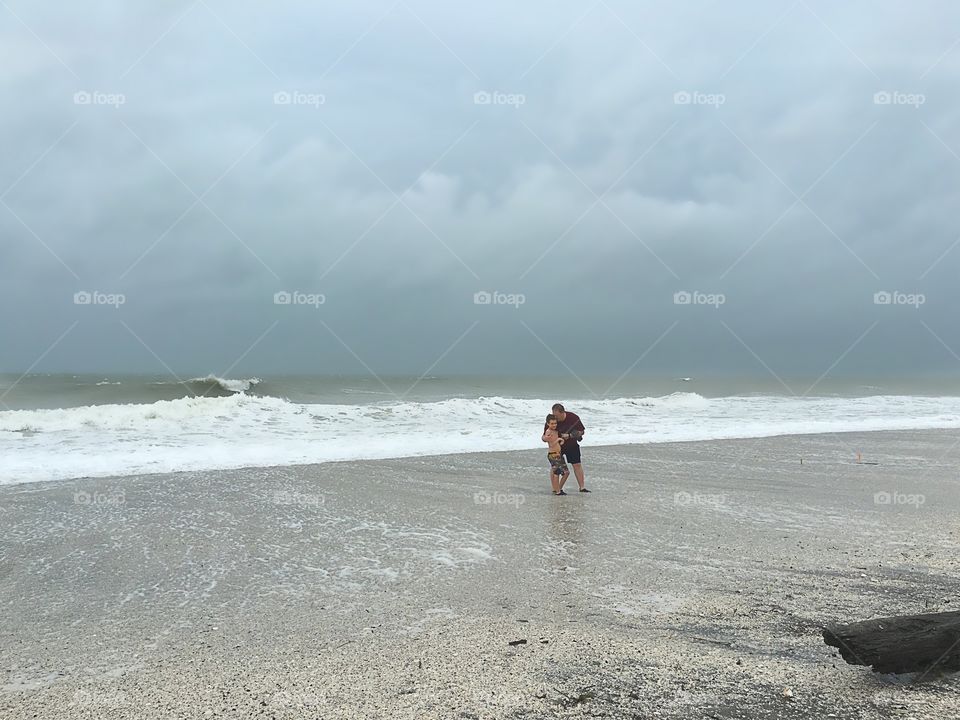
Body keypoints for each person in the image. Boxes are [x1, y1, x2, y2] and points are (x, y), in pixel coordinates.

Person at [553, 403, 589, 492]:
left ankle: (582, 487)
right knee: (555, 467)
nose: (555, 417)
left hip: (572, 445)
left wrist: (570, 435)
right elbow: (546, 433)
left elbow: (582, 431)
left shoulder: (573, 418)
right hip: (557, 446)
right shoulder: (552, 420)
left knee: (577, 464)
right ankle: (555, 488)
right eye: (554, 415)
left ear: (563, 412)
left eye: (557, 416)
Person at [542, 414, 570, 495]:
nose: (554, 425)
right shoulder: (548, 431)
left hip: (558, 454)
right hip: (553, 454)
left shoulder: (556, 431)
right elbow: (551, 444)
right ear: (548, 423)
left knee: (566, 472)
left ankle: (558, 488)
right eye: (552, 423)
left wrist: (561, 441)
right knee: (556, 473)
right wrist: (558, 439)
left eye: (555, 423)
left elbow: (556, 442)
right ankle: (557, 491)